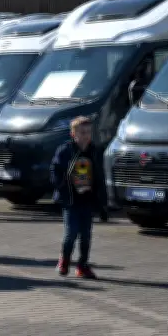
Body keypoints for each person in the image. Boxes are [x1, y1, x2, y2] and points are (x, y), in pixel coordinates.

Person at [50, 115, 107, 279]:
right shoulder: (65, 150)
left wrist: (102, 204)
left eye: (88, 132)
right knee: (71, 233)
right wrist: (60, 185)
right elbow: (55, 170)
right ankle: (64, 260)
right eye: (82, 132)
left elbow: (99, 177)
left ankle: (82, 265)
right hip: (71, 200)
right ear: (73, 134)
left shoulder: (94, 151)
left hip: (87, 200)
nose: (86, 136)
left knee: (86, 236)